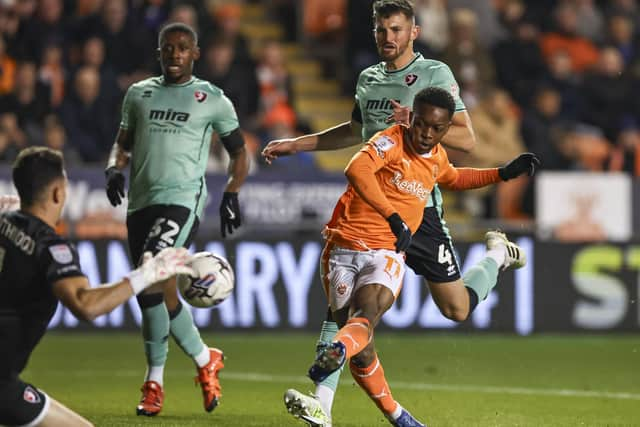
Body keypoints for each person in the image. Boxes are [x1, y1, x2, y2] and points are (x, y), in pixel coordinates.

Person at [260, 0, 482, 424]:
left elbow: (467, 139)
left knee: (456, 309)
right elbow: (353, 130)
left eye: (396, 30)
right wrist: (297, 143)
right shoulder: (368, 78)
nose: (388, 38)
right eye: (381, 30)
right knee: (346, 313)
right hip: (368, 208)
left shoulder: (435, 75)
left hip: (418, 208)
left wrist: (413, 119)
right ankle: (322, 405)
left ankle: (495, 257)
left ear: (413, 32)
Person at [292, 87, 538, 427]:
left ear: (445, 128)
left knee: (368, 315)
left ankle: (333, 365)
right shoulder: (390, 141)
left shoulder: (435, 156)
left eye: (436, 129)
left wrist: (501, 173)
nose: (426, 134)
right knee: (361, 344)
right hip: (342, 248)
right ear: (412, 119)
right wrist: (393, 215)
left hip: (385, 253)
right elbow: (356, 169)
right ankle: (397, 415)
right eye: (421, 124)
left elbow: (451, 176)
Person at [103, 22, 249, 416]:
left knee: (149, 273)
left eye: (183, 48)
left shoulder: (212, 99)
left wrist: (231, 192)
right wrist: (114, 168)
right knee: (158, 290)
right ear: (159, 52)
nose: (175, 54)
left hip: (182, 201)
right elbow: (123, 141)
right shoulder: (139, 94)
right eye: (168, 48)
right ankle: (205, 359)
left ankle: (154, 383)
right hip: (140, 203)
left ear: (195, 54)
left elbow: (239, 152)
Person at [0, 147, 194, 427]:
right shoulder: (51, 247)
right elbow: (85, 305)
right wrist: (147, 274)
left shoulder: (5, 222)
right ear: (57, 193)